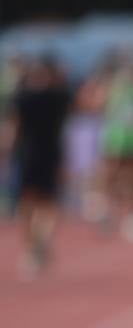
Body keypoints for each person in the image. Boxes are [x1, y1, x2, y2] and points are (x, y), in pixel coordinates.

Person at [3, 56, 72, 279]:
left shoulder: (25, 97)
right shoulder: (58, 96)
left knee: (34, 201)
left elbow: (13, 127)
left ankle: (33, 245)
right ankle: (36, 244)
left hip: (34, 154)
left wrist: (7, 152)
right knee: (41, 202)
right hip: (43, 153)